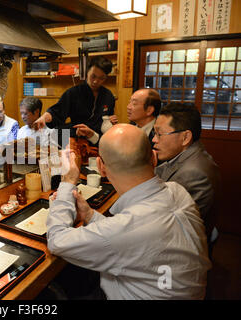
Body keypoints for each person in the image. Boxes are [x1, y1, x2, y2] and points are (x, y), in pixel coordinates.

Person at [46, 124, 211, 299]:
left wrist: (68, 179)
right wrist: (89, 215)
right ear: (154, 159)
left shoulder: (125, 228)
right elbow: (132, 236)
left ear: (101, 167)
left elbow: (57, 241)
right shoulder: (177, 191)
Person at [153, 102, 221, 240]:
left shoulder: (194, 173)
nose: (154, 139)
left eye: (159, 134)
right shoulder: (188, 154)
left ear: (185, 137)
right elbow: (160, 172)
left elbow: (169, 226)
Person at [33, 56, 118, 145]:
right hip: (74, 135)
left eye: (101, 78)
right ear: (87, 72)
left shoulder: (108, 96)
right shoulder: (74, 92)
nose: (96, 81)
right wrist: (43, 118)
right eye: (93, 76)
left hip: (96, 138)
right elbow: (57, 111)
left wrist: (111, 121)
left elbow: (108, 120)